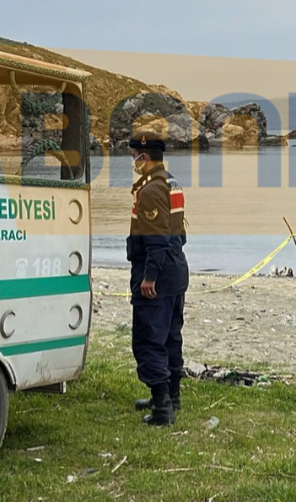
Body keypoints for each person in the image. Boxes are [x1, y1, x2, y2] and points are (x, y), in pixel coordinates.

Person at [127, 131, 189, 426]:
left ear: (144, 156)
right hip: (176, 268)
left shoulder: (151, 189)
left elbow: (156, 237)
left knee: (149, 338)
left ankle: (163, 408)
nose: (133, 162)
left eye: (134, 157)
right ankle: (171, 396)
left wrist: (149, 277)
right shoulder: (172, 183)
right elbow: (179, 231)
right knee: (170, 336)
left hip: (158, 273)